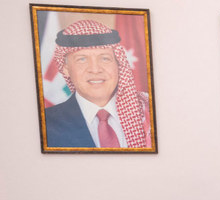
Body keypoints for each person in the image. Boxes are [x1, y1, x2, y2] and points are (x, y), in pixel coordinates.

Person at [45, 19, 152, 148]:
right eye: (82, 59)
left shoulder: (149, 112)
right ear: (65, 69)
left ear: (118, 64)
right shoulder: (47, 124)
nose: (95, 69)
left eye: (105, 58)